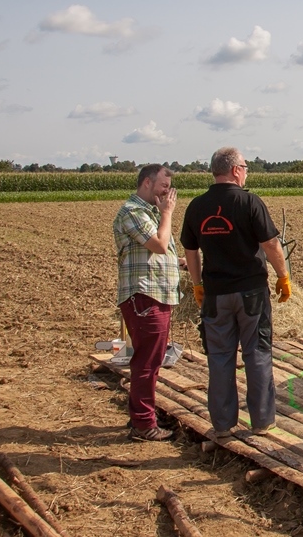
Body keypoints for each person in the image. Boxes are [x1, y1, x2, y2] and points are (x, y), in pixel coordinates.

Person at [180, 147, 291, 438]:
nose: (246, 171)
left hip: (215, 294)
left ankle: (223, 424)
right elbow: (271, 245)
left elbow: (191, 251)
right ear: (235, 170)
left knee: (219, 357)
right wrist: (283, 276)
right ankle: (262, 422)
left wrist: (197, 284)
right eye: (245, 166)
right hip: (251, 293)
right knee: (257, 353)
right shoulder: (249, 202)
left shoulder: (196, 206)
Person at [113, 164, 181, 442]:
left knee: (151, 360)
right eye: (163, 186)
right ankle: (143, 424)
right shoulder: (133, 212)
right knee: (146, 362)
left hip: (156, 294)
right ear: (146, 183)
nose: (167, 192)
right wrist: (167, 213)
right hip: (144, 296)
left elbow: (161, 253)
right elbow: (158, 245)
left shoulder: (148, 213)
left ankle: (144, 418)